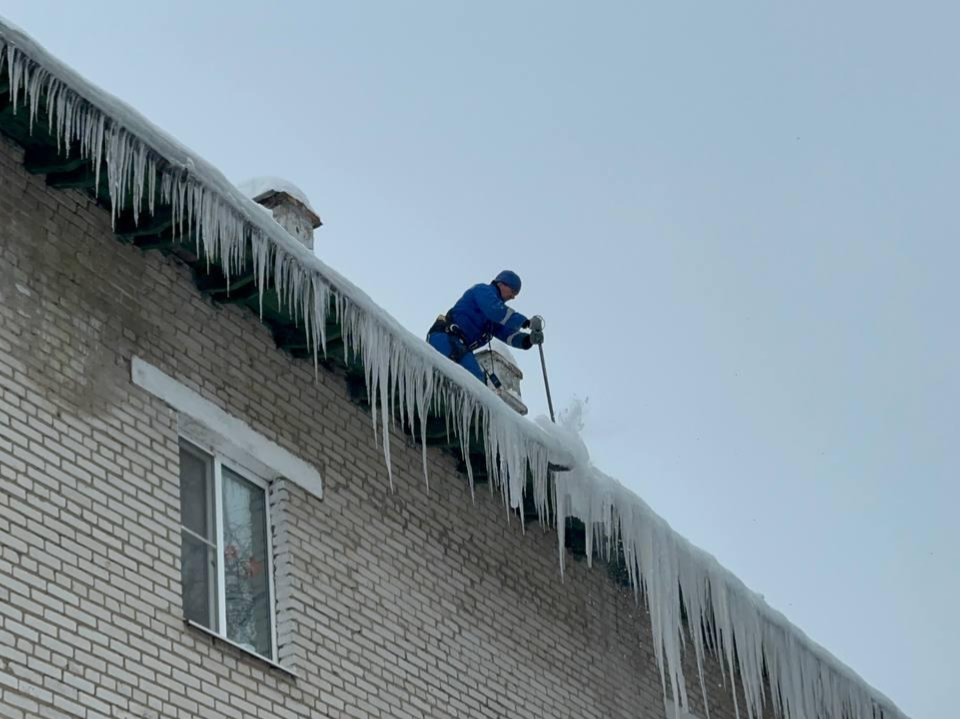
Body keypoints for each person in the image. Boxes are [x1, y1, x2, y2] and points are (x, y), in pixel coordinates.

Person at [427, 270, 544, 384]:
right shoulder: (482, 290)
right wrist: (526, 322)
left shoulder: (493, 320)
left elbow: (506, 333)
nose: (513, 297)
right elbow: (495, 310)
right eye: (513, 291)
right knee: (472, 382)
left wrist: (528, 340)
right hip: (445, 338)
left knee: (477, 382)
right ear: (501, 284)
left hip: (460, 348)